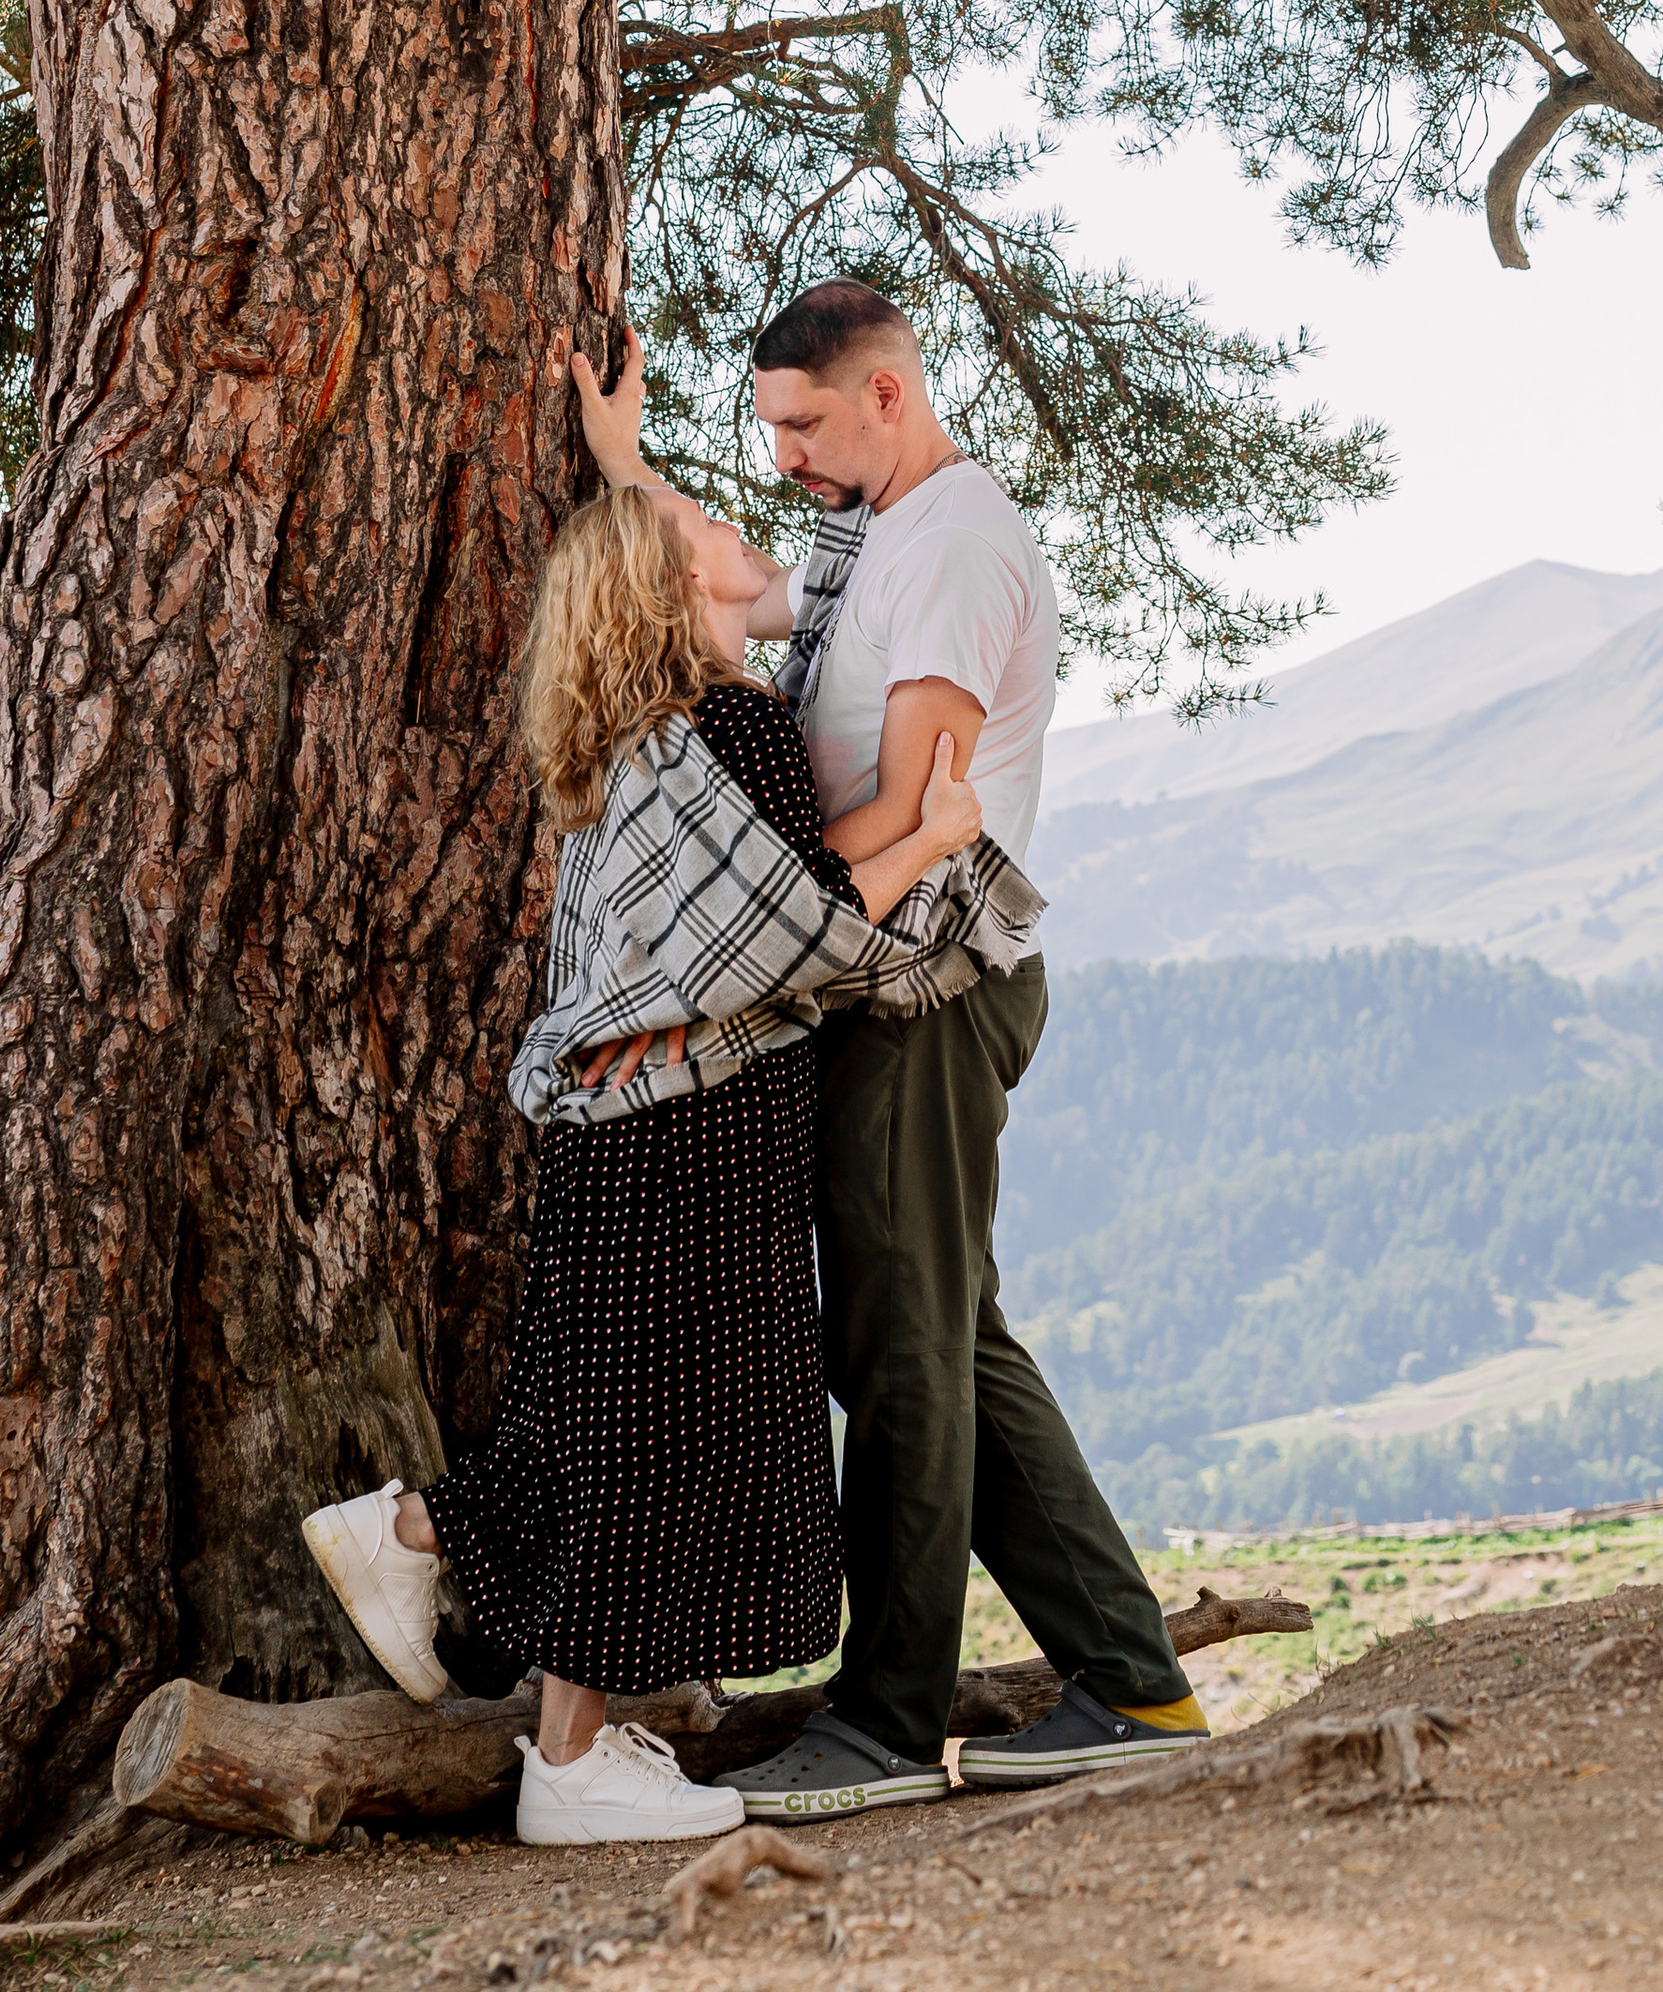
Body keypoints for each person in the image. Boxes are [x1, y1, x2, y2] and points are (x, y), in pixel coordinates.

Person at [298, 478, 1040, 1847]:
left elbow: (752, 894)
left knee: (591, 1418)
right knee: (656, 1438)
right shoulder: (736, 732)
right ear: (671, 592)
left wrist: (619, 454)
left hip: (617, 1131)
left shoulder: (640, 745)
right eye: (700, 527)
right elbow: (789, 927)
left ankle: (410, 1533)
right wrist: (935, 840)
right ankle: (572, 1763)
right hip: (696, 1133)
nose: (729, 523)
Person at [574, 284, 1206, 1813]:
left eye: (801, 424)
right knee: (941, 1340)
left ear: (889, 398)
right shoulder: (886, 539)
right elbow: (728, 589)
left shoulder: (951, 554)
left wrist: (707, 959)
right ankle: (1132, 1686)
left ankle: (886, 1720)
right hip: (882, 994)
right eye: (766, 428)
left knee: (906, 1351)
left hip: (925, 994)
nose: (779, 455)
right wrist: (627, 472)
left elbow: (918, 829)